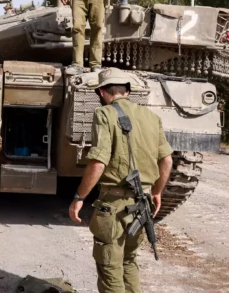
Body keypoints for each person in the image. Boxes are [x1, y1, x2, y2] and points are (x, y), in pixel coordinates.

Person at [68, 68, 173, 293]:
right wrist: (157, 191)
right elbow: (167, 160)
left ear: (102, 92)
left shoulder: (104, 114)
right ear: (127, 90)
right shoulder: (152, 117)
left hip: (115, 205)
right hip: (142, 203)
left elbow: (98, 162)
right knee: (129, 261)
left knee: (109, 266)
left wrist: (79, 197)